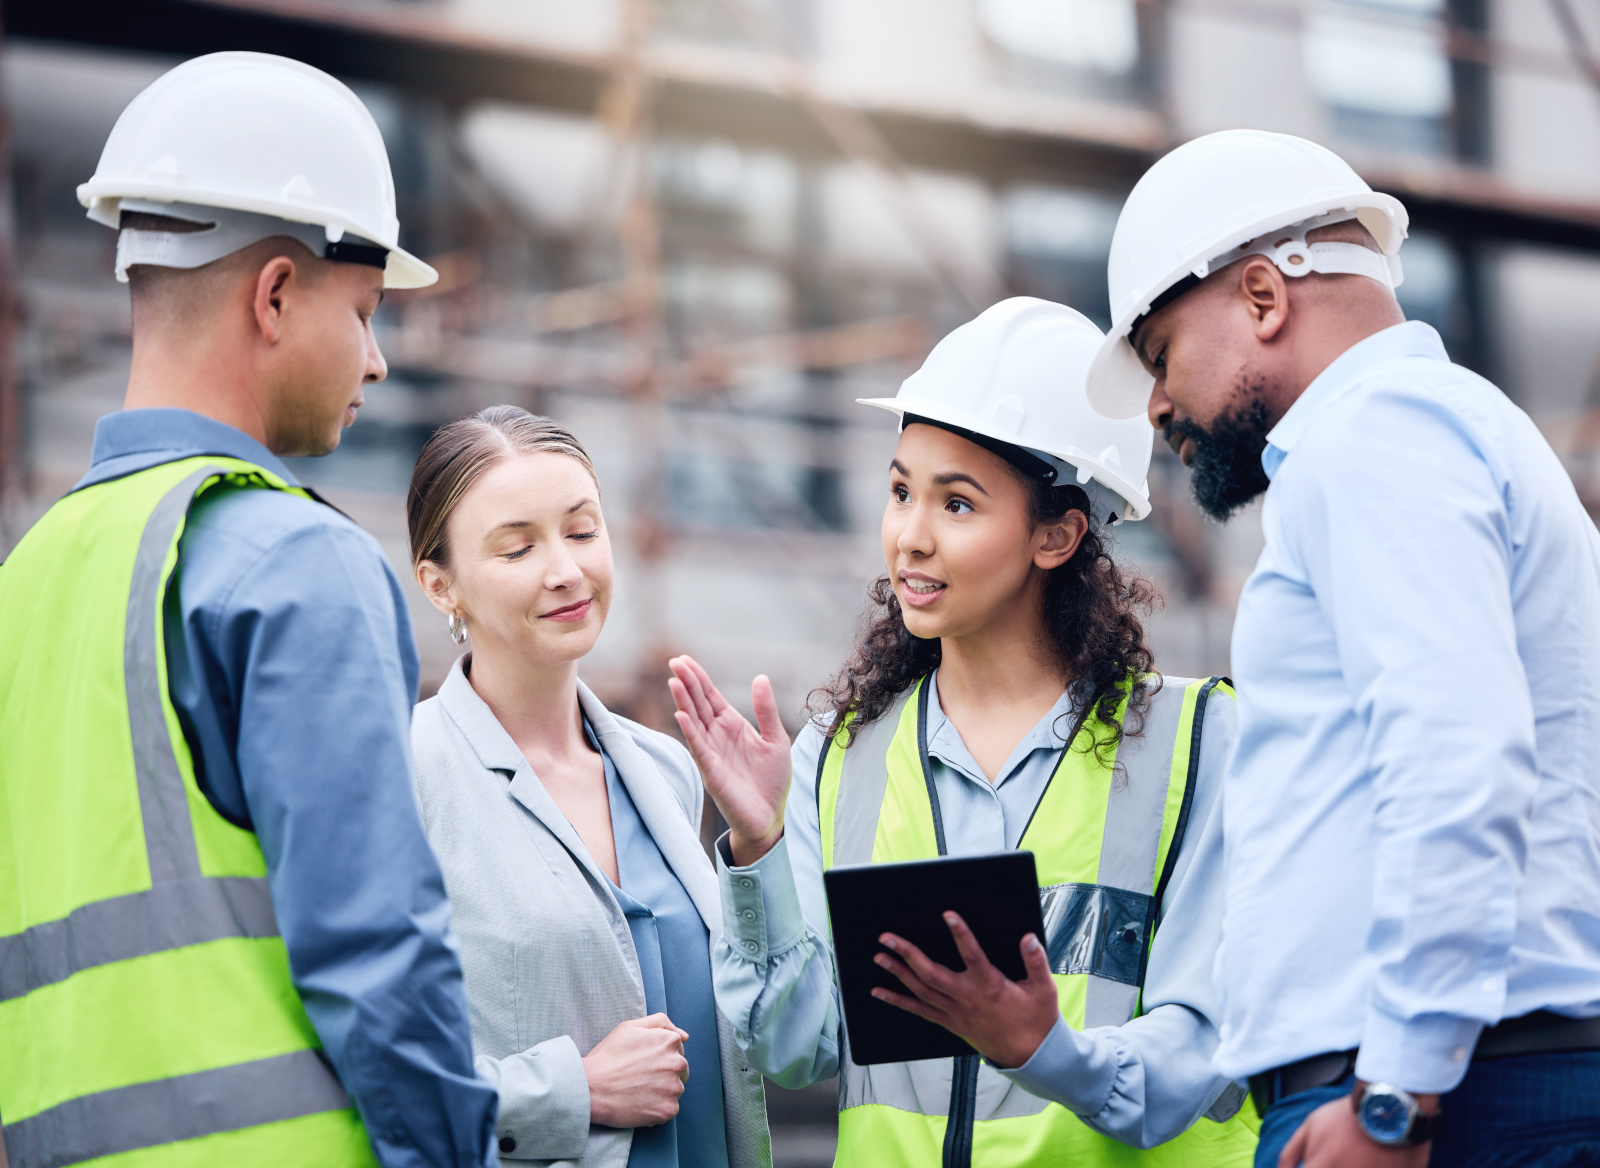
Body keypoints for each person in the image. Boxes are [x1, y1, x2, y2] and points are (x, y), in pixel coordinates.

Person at [0, 54, 501, 1168]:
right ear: (274, 295)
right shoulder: (294, 560)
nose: (377, 360)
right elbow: (380, 955)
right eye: (365, 313)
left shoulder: (25, 581)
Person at [1086, 127, 1600, 1167]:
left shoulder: (1376, 432)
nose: (1157, 406)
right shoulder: (1429, 429)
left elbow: (1453, 755)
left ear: (1263, 296)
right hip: (1458, 1078)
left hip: (1442, 1096)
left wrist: (1396, 1093)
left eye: (1160, 355)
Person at [668, 297, 1260, 1168]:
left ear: (1057, 535)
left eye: (957, 504)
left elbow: (1207, 1049)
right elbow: (796, 1047)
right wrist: (758, 850)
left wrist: (1045, 1052)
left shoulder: (1196, 743)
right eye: (900, 491)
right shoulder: (838, 756)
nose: (910, 537)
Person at [404, 406, 771, 1168]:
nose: (566, 570)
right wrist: (573, 1091)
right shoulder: (406, 773)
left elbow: (767, 1030)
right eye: (517, 548)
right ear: (441, 587)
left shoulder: (664, 770)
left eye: (581, 531)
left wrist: (760, 842)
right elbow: (369, 1066)